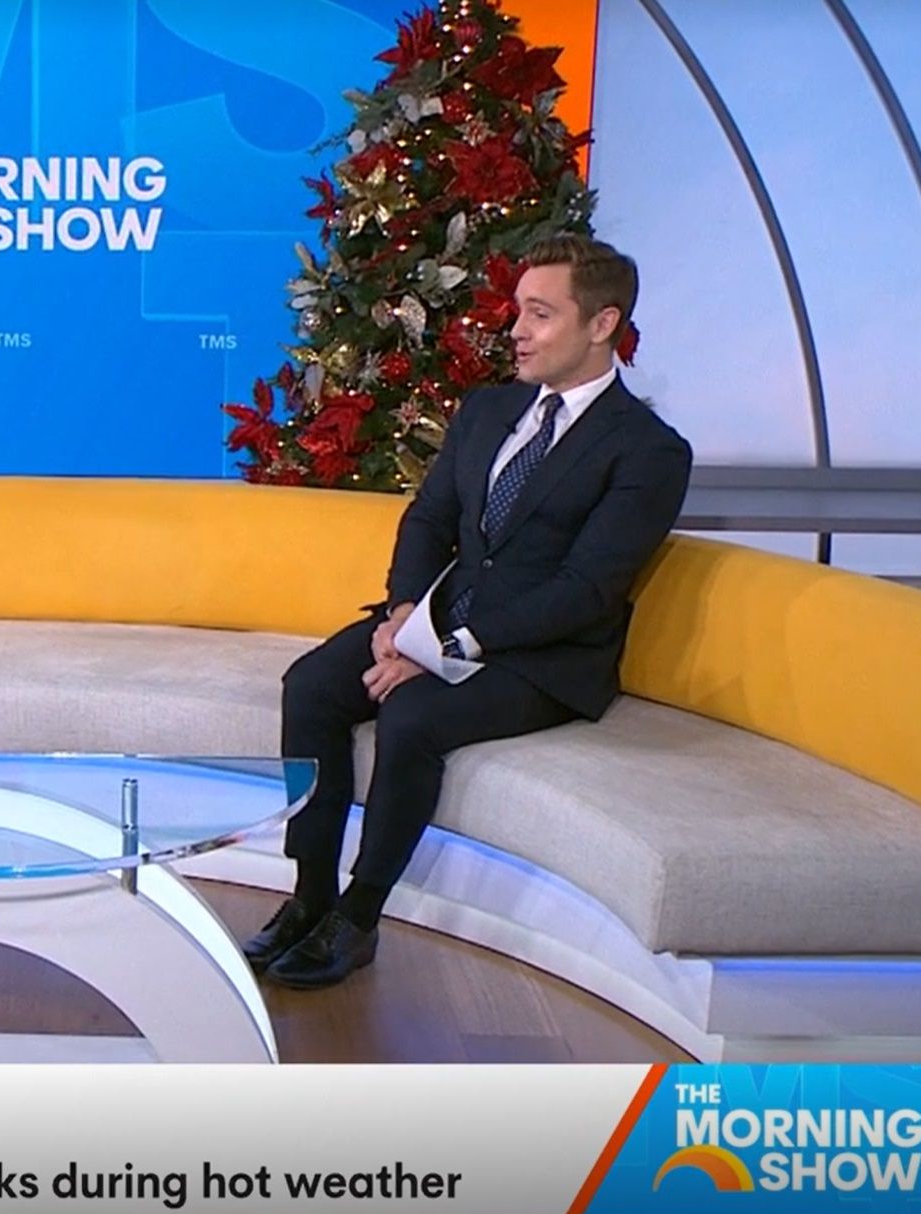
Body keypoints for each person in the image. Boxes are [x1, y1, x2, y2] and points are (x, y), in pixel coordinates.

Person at [248, 234, 693, 989]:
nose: (516, 330)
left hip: (542, 655)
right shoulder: (489, 410)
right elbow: (429, 519)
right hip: (436, 618)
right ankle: (309, 894)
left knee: (412, 716)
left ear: (602, 324)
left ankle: (358, 916)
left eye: (540, 314)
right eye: (518, 311)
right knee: (311, 686)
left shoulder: (648, 451)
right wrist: (402, 616)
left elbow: (585, 589)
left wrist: (447, 647)